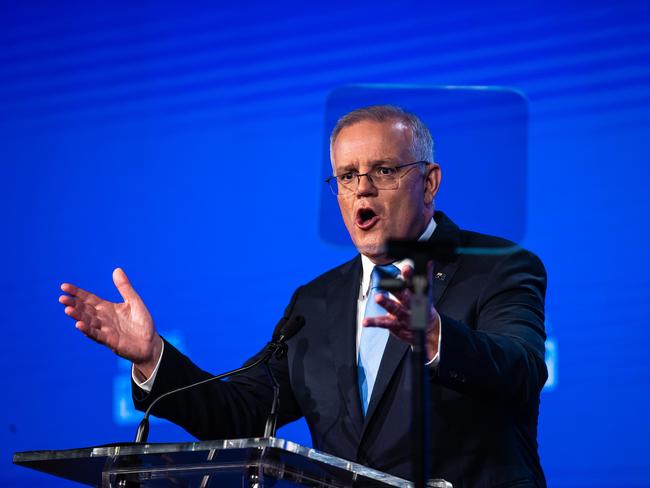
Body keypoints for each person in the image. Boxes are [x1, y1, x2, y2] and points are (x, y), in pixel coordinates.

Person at [60, 105, 548, 488]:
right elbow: (241, 410)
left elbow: (523, 368)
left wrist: (439, 337)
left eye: (383, 170)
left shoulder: (496, 266)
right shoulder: (316, 302)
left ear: (430, 182)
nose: (363, 190)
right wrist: (152, 358)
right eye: (348, 176)